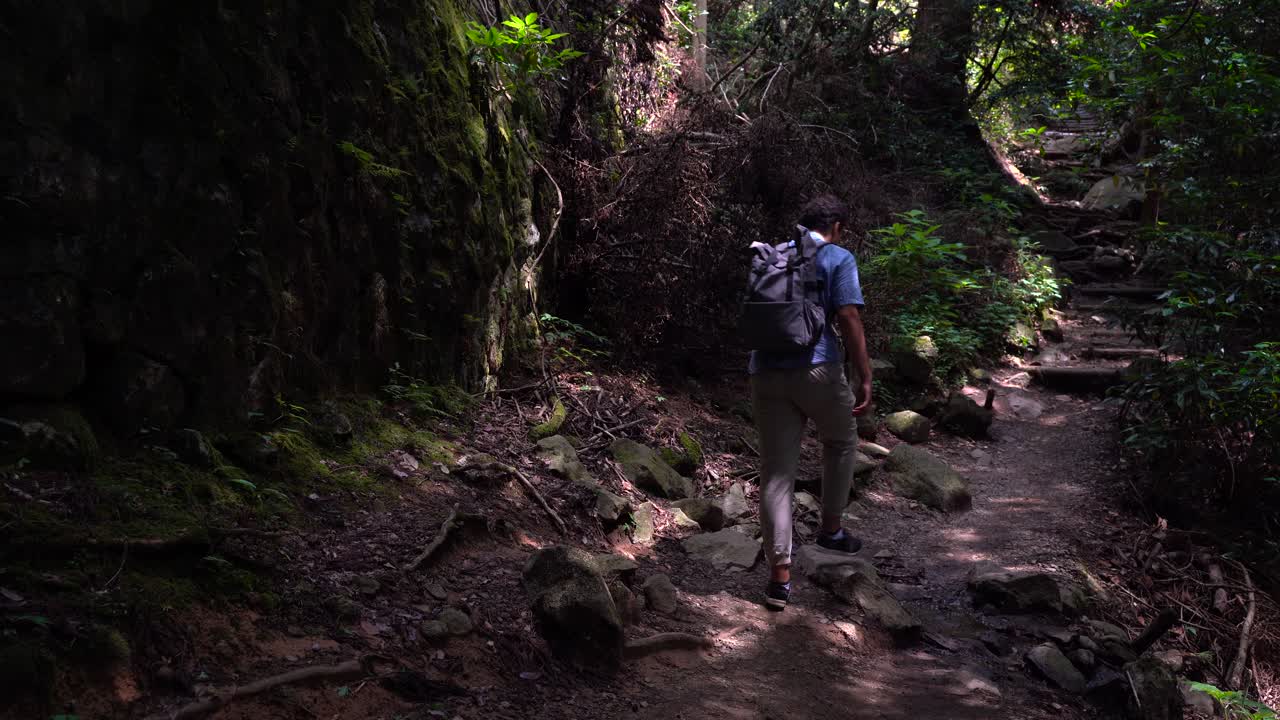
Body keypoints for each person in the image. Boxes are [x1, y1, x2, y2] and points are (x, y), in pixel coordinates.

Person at [749, 194, 873, 610]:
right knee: (840, 440)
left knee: (776, 474)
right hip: (817, 368)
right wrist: (864, 373)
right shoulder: (837, 256)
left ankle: (779, 580)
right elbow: (850, 317)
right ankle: (831, 529)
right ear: (836, 227)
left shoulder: (774, 254)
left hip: (765, 371)